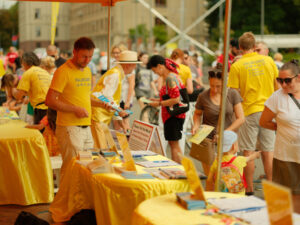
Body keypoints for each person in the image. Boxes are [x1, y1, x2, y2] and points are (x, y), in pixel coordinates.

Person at [227, 32, 278, 195]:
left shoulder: (237, 66)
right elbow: (277, 87)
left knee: (248, 152)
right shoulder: (269, 61)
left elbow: (233, 93)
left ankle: (248, 189)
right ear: (254, 46)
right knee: (268, 151)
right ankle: (271, 186)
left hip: (248, 111)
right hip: (268, 110)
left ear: (240, 48)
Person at [46, 37, 109, 168]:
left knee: (86, 170)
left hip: (86, 128)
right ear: (74, 52)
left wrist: (102, 104)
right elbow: (50, 100)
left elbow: (85, 98)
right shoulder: (63, 71)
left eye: (90, 57)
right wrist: (75, 109)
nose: (87, 60)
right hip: (69, 128)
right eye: (83, 56)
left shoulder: (87, 70)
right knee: (72, 170)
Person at [260, 59, 300, 213]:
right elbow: (264, 121)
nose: (283, 85)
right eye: (280, 80)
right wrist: (281, 127)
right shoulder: (277, 97)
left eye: (287, 81)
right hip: (286, 156)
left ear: (299, 77)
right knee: (291, 197)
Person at [192, 65, 244, 175]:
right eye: (212, 86)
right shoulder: (203, 96)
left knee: (228, 178)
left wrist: (224, 133)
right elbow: (197, 114)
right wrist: (195, 126)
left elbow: (241, 118)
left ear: (225, 83)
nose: (215, 89)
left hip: (228, 142)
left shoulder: (232, 94)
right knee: (211, 177)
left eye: (218, 86)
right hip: (207, 142)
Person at [90, 50, 139, 149]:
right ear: (128, 65)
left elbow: (112, 99)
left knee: (102, 146)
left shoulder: (118, 73)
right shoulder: (115, 74)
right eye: (134, 65)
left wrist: (119, 118)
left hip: (102, 116)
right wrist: (119, 111)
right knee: (101, 148)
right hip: (99, 116)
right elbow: (106, 96)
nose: (135, 67)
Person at [147, 55, 186, 163]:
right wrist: (156, 100)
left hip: (173, 116)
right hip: (172, 116)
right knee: (173, 144)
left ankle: (178, 169)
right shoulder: (171, 76)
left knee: (174, 145)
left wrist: (159, 103)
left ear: (160, 66)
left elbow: (176, 99)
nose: (156, 74)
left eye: (155, 71)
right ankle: (180, 168)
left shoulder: (170, 78)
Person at [206, 130, 261, 194]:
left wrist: (209, 192)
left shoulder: (217, 161)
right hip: (237, 196)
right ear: (233, 146)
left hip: (221, 195)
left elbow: (209, 179)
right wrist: (256, 155)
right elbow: (249, 158)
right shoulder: (239, 160)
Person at [14, 52, 51, 124]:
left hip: (40, 108)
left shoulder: (28, 73)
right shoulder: (44, 72)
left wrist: (13, 89)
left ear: (24, 62)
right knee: (47, 133)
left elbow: (18, 96)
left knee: (40, 133)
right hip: (51, 108)